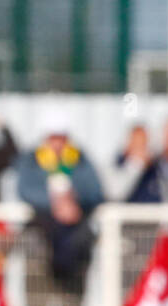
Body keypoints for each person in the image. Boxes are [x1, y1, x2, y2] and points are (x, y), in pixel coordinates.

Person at [14, 108, 103, 290]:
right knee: (37, 288)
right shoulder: (32, 160)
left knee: (72, 298)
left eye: (61, 138)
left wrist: (73, 201)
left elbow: (95, 190)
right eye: (53, 138)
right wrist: (55, 203)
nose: (57, 144)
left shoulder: (80, 160)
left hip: (75, 239)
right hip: (41, 233)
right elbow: (24, 189)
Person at [105, 124, 152, 202]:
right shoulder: (114, 165)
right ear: (129, 143)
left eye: (143, 144)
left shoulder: (153, 169)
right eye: (136, 144)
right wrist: (136, 165)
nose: (140, 149)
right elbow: (115, 194)